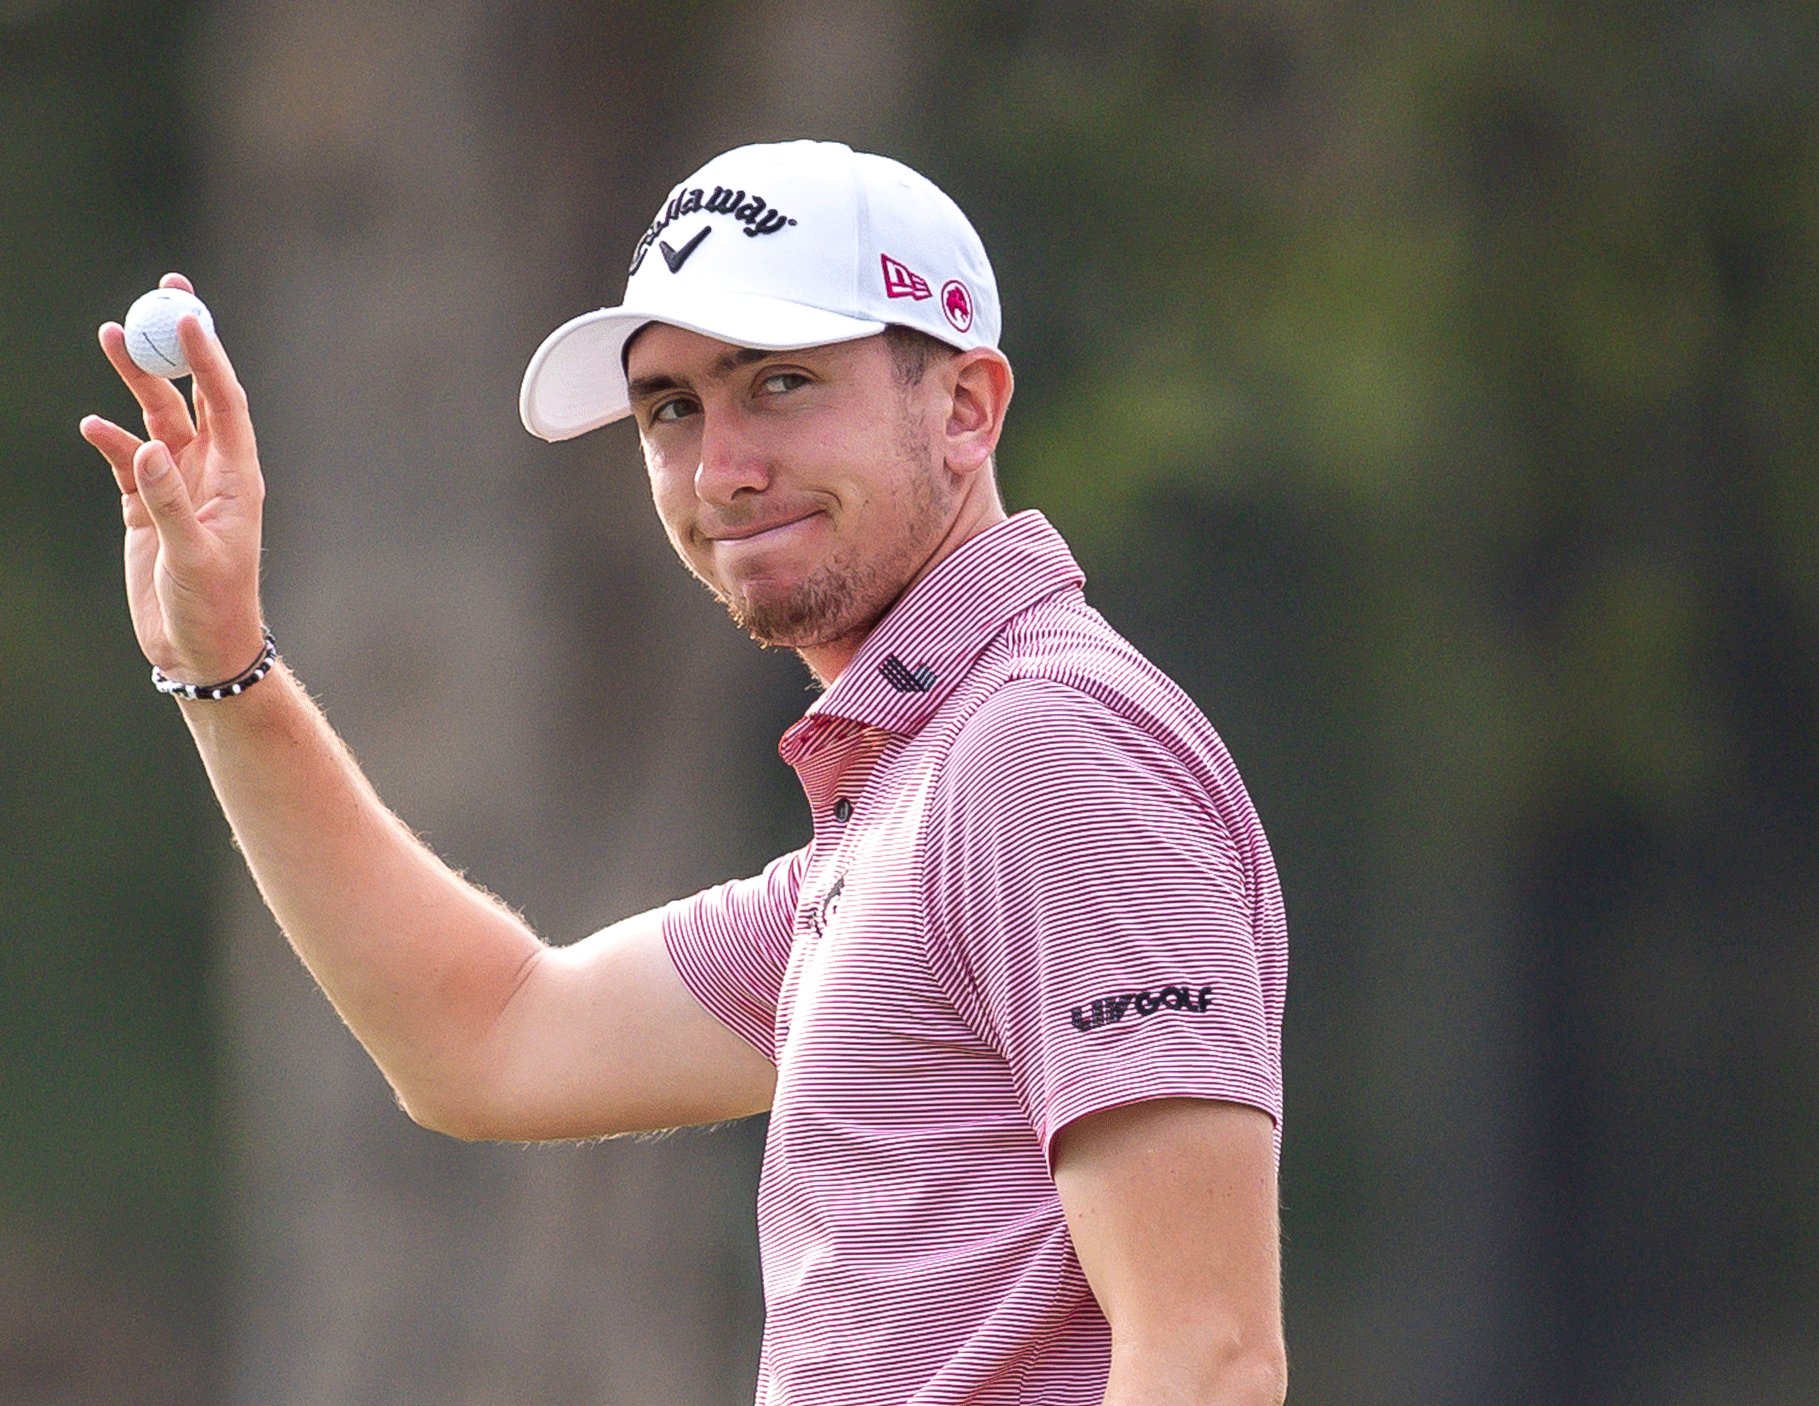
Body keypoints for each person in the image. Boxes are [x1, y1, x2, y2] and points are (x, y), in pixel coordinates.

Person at [80, 140, 1289, 1406]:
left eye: (779, 382)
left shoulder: (1045, 749)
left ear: (966, 408)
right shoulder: (917, 788)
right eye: (672, 408)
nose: (720, 469)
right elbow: (487, 1039)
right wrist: (224, 667)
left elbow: (1207, 1358)